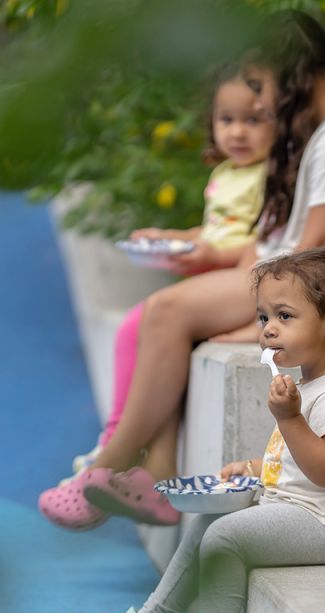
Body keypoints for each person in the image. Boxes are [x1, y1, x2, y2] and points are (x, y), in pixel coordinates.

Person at [38, 9, 325, 532]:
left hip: (320, 297)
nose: (259, 101)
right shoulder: (323, 135)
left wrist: (254, 321)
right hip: (294, 283)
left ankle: (107, 466)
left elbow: (317, 244)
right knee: (165, 318)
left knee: (166, 310)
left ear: (295, 71)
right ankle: (154, 472)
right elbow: (285, 239)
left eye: (261, 84)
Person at [83, 247, 325, 613]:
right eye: (264, 317)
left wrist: (289, 418)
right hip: (299, 511)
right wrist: (256, 468)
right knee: (209, 520)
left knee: (224, 537)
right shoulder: (309, 385)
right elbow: (298, 461)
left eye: (284, 316)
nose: (268, 329)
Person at [66, 59, 276, 479]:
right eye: (227, 119)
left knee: (141, 326)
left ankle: (117, 444)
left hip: (241, 282)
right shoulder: (225, 173)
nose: (237, 131)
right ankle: (128, 444)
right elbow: (214, 230)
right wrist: (172, 236)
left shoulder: (270, 177)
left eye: (253, 120)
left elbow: (258, 239)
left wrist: (208, 253)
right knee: (136, 331)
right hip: (212, 281)